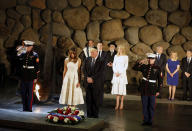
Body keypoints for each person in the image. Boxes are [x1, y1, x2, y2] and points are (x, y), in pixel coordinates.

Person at [133, 53, 162, 126]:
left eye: (152, 59)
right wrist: (141, 62)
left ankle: (150, 120)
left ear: (154, 60)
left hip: (152, 89)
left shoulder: (158, 68)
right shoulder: (144, 66)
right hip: (144, 88)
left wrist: (158, 90)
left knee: (151, 106)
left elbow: (160, 81)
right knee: (144, 105)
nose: (150, 60)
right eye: (149, 59)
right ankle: (145, 120)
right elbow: (135, 68)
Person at [17, 40, 40, 112]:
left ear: (32, 47)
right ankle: (24, 107)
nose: (27, 48)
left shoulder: (35, 55)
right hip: (24, 75)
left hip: (31, 75)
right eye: (26, 46)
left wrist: (36, 77)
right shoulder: (23, 53)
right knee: (23, 92)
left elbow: (37, 67)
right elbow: (18, 57)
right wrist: (20, 49)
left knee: (30, 93)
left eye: (28, 46)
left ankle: (29, 108)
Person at [83, 47, 105, 118]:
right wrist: (87, 78)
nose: (91, 53)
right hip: (88, 83)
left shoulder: (101, 61)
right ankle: (89, 115)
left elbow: (100, 72)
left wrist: (92, 78)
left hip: (96, 83)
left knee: (95, 100)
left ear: (96, 52)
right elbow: (84, 69)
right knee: (88, 100)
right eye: (90, 52)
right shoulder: (87, 59)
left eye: (92, 52)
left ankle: (95, 115)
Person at [111, 45, 128, 110]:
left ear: (123, 50)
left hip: (122, 75)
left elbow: (125, 66)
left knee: (122, 89)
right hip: (116, 74)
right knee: (117, 89)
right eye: (119, 49)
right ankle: (117, 104)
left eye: (121, 49)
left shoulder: (125, 57)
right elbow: (114, 65)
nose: (119, 50)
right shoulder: (116, 56)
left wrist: (120, 72)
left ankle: (121, 103)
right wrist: (115, 72)